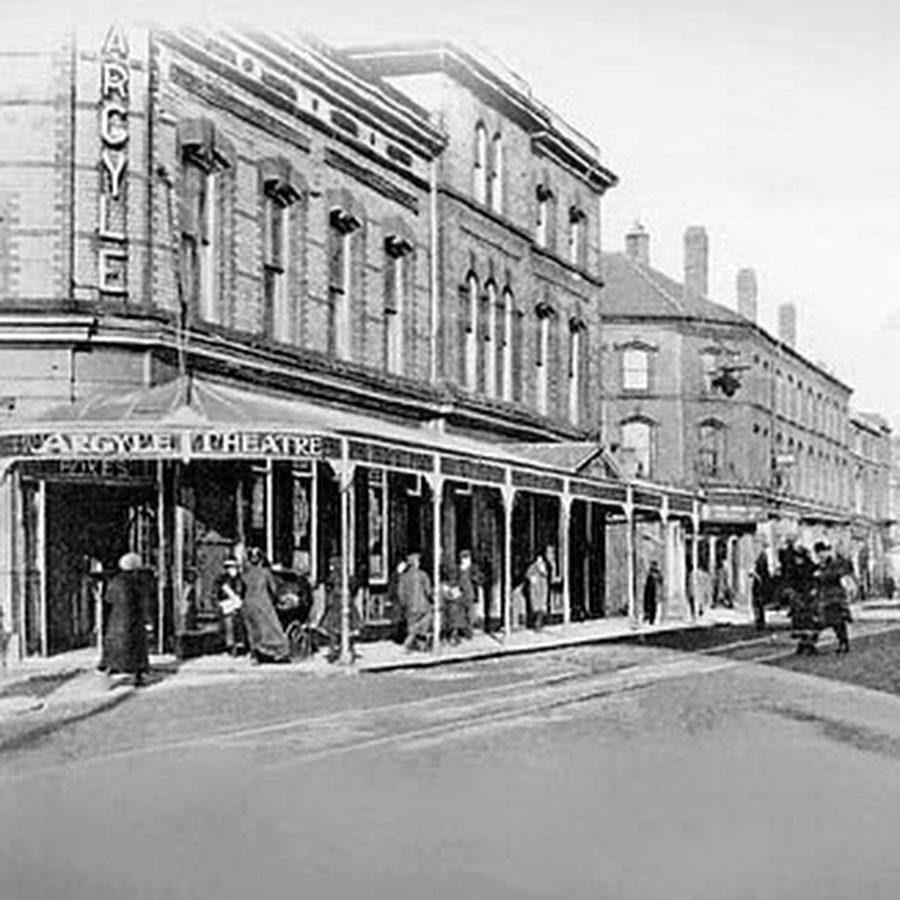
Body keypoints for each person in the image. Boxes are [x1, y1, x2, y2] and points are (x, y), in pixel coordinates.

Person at [100, 551, 151, 686]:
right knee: (137, 646)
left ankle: (112, 666)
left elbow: (108, 599)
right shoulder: (138, 582)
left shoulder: (115, 581)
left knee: (115, 644)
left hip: (116, 619)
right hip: (134, 619)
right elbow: (143, 601)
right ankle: (138, 673)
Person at [241, 547, 291, 664]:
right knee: (272, 627)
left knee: (253, 629)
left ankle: (255, 654)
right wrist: (280, 599)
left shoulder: (246, 574)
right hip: (262, 602)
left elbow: (241, 589)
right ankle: (278, 652)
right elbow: (273, 589)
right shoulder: (265, 573)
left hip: (248, 603)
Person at [317, 555, 361, 663]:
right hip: (345, 602)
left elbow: (329, 585)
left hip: (338, 604)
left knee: (334, 630)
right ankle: (347, 649)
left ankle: (334, 650)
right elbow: (354, 585)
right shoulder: (347, 576)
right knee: (345, 631)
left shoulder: (335, 576)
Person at [814, 541, 851, 653]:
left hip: (835, 596)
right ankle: (810, 643)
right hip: (824, 597)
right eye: (819, 552)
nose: (821, 555)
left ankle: (843, 643)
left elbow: (839, 574)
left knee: (838, 622)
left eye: (823, 552)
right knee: (823, 621)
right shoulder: (820, 565)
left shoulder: (835, 563)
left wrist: (822, 575)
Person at [398, 551, 434, 652]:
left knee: (412, 624)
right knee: (427, 618)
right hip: (421, 606)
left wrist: (403, 604)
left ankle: (418, 642)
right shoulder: (423, 575)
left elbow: (400, 593)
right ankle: (410, 641)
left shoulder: (403, 577)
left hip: (408, 607)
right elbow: (428, 591)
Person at [215, 557, 246, 656]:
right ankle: (230, 646)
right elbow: (216, 591)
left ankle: (240, 645)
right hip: (227, 604)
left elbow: (244, 590)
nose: (232, 569)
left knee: (239, 624)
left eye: (234, 567)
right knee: (229, 624)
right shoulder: (222, 579)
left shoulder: (241, 579)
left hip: (239, 604)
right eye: (229, 567)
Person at [524, 550, 550, 631]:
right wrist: (532, 578)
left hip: (542, 589)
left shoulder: (544, 566)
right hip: (535, 589)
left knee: (542, 607)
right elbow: (527, 575)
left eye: (541, 559)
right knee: (536, 607)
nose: (539, 561)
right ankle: (536, 624)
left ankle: (540, 624)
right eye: (538, 559)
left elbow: (547, 574)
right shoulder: (533, 567)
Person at [751, 547, 773, 631]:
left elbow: (760, 573)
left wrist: (756, 576)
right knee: (759, 604)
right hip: (760, 584)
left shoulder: (760, 560)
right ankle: (760, 622)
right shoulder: (762, 559)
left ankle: (760, 622)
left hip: (759, 585)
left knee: (758, 604)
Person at [643, 560, 663, 625]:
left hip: (654, 593)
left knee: (653, 606)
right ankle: (651, 619)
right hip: (652, 593)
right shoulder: (653, 575)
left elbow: (660, 582)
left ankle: (652, 619)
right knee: (651, 606)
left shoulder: (654, 575)